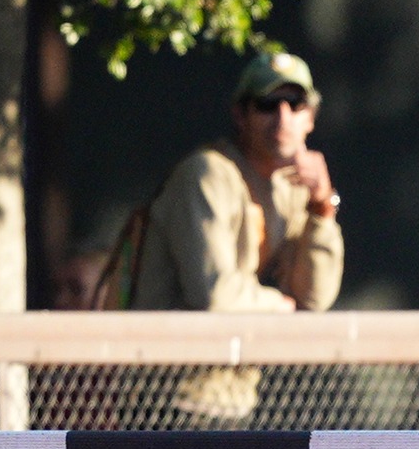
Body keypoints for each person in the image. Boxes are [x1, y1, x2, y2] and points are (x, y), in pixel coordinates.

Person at [126, 50, 344, 418]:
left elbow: (314, 298)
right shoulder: (207, 173)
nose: (283, 118)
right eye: (267, 104)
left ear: (311, 117)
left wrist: (322, 207)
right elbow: (213, 292)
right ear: (240, 115)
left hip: (234, 399)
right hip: (167, 400)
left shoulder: (293, 187)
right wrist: (281, 306)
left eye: (295, 104)